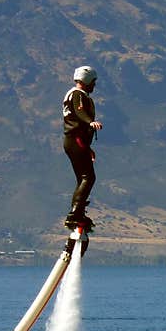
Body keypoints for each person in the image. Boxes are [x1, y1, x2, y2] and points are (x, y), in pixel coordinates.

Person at [62, 65, 103, 230]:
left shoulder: (77, 94)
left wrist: (88, 147)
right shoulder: (77, 95)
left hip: (77, 142)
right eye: (93, 82)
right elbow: (80, 112)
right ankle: (75, 213)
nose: (94, 85)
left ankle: (77, 212)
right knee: (88, 177)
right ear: (87, 80)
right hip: (75, 139)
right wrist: (90, 121)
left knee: (82, 178)